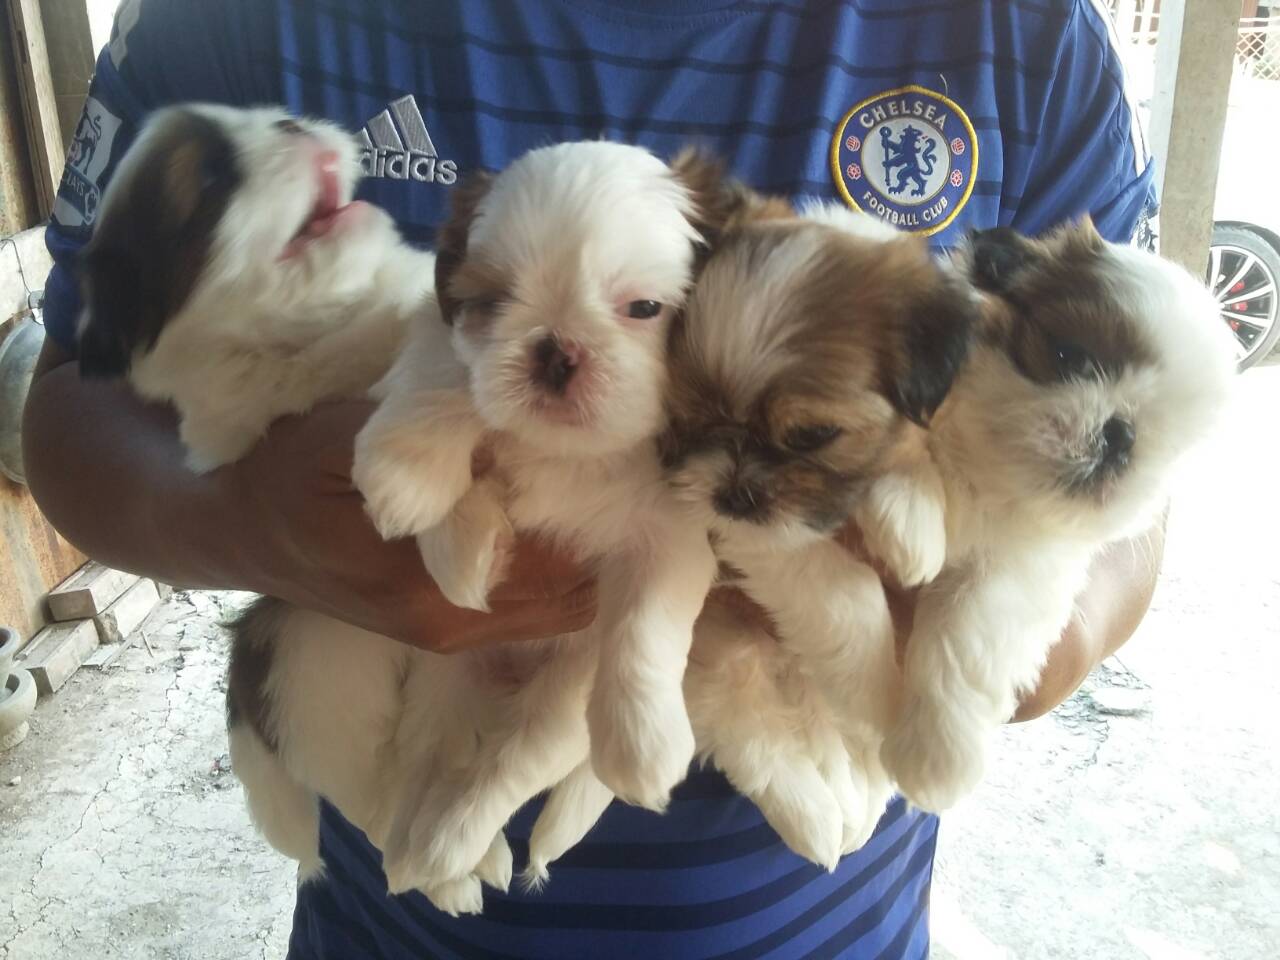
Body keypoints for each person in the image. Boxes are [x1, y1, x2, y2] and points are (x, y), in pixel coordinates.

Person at [24, 1, 1164, 957]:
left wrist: (1012, 631)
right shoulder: (231, 21)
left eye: (643, 311)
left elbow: (1140, 454)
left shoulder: (1022, 33)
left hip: (833, 921)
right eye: (491, 301)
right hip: (401, 913)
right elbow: (76, 389)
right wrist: (247, 520)